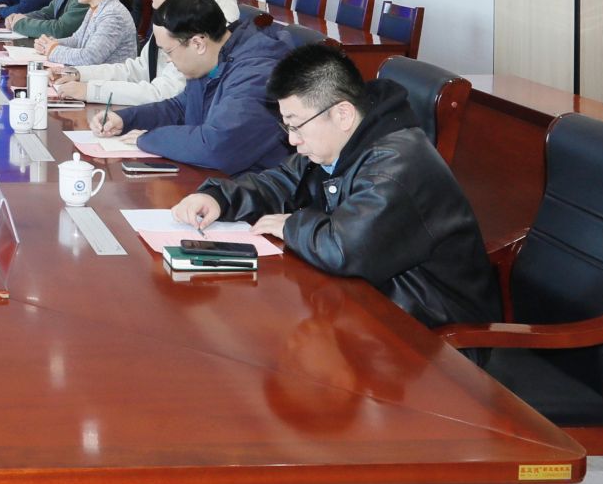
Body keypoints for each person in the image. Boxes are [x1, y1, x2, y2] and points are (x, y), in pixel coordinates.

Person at [170, 45, 501, 328]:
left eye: (297, 125)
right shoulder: (341, 139)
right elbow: (281, 181)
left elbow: (344, 249)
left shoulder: (396, 167)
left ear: (342, 114)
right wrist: (219, 197)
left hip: (433, 334)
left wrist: (291, 225)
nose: (292, 140)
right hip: (371, 303)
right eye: (287, 126)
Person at [89, 0, 290, 175]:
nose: (169, 61)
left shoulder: (257, 74)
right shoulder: (213, 60)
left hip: (252, 190)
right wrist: (126, 119)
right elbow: (180, 108)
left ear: (197, 43)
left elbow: (217, 146)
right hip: (216, 179)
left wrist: (147, 139)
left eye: (169, 52)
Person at [52, 0, 241, 107]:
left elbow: (163, 93)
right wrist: (80, 74)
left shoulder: (203, 23)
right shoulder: (172, 15)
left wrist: (91, 90)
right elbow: (139, 69)